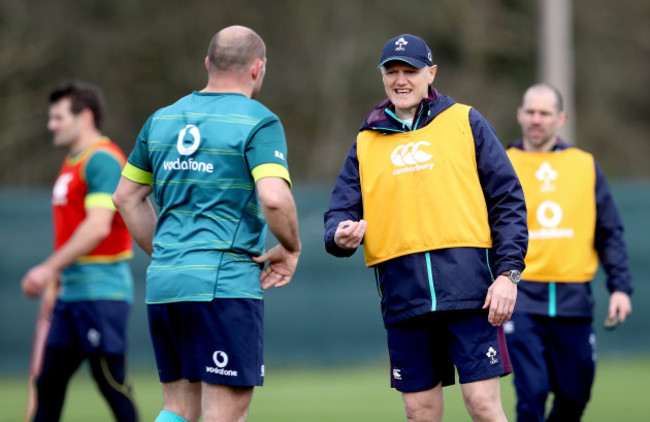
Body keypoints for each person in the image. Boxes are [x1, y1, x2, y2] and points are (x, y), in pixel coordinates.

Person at [324, 34, 528, 422]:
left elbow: (508, 201)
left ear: (430, 73)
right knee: (420, 413)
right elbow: (338, 212)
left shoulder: (466, 121)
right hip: (405, 298)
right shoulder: (366, 140)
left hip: (472, 295)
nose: (401, 80)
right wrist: (338, 234)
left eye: (410, 71)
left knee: (483, 406)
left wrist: (508, 275)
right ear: (382, 77)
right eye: (392, 72)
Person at [112, 25, 301, 422]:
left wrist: (168, 253)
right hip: (223, 287)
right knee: (224, 412)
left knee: (178, 408)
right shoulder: (258, 121)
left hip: (165, 283)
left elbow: (126, 197)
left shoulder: (161, 119)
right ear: (257, 68)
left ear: (207, 64)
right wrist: (291, 247)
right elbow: (274, 198)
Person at [504, 83, 633, 421]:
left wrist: (620, 287)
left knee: (575, 395)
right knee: (531, 394)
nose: (536, 119)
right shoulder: (502, 164)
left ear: (561, 118)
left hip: (573, 298)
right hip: (521, 296)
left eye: (544, 113)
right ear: (519, 115)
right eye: (530, 112)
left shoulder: (584, 165)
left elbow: (609, 231)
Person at [21, 81, 138, 421]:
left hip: (101, 294)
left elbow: (98, 225)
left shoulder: (102, 159)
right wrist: (57, 280)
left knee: (110, 384)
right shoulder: (73, 162)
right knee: (49, 385)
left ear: (84, 117)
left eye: (58, 117)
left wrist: (47, 268)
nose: (51, 125)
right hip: (71, 296)